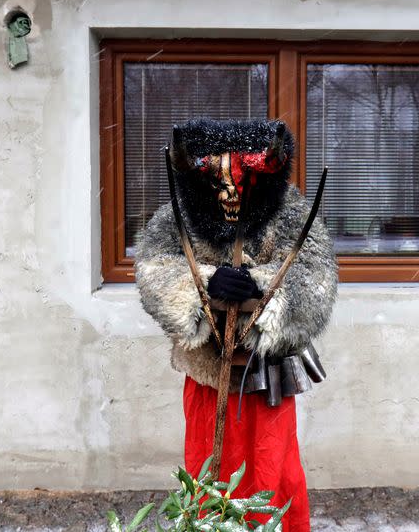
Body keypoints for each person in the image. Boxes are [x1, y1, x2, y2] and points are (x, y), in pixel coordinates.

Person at [134, 119, 338, 532]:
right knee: (208, 468)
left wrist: (259, 289)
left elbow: (316, 274)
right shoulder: (179, 211)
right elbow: (152, 266)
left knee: (270, 471)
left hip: (268, 377)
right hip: (208, 375)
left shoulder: (292, 210)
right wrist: (203, 283)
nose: (229, 194)